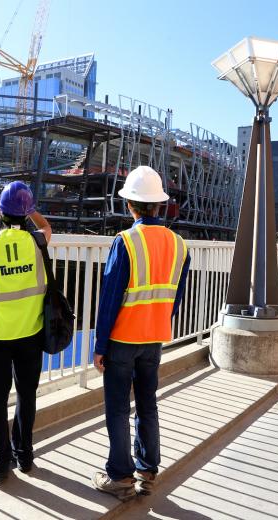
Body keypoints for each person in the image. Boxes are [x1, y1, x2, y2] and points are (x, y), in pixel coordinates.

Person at [91, 166, 190, 501]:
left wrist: (100, 345)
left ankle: (120, 475)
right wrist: (158, 321)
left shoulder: (126, 242)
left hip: (123, 339)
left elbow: (110, 298)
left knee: (118, 408)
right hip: (154, 337)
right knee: (148, 403)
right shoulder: (179, 244)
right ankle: (147, 470)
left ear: (130, 204)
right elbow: (175, 297)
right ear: (159, 205)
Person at [0, 181, 52, 482]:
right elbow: (46, 227)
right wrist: (31, 209)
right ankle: (24, 456)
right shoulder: (37, 241)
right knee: (27, 395)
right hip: (30, 330)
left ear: (1, 213)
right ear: (26, 212)